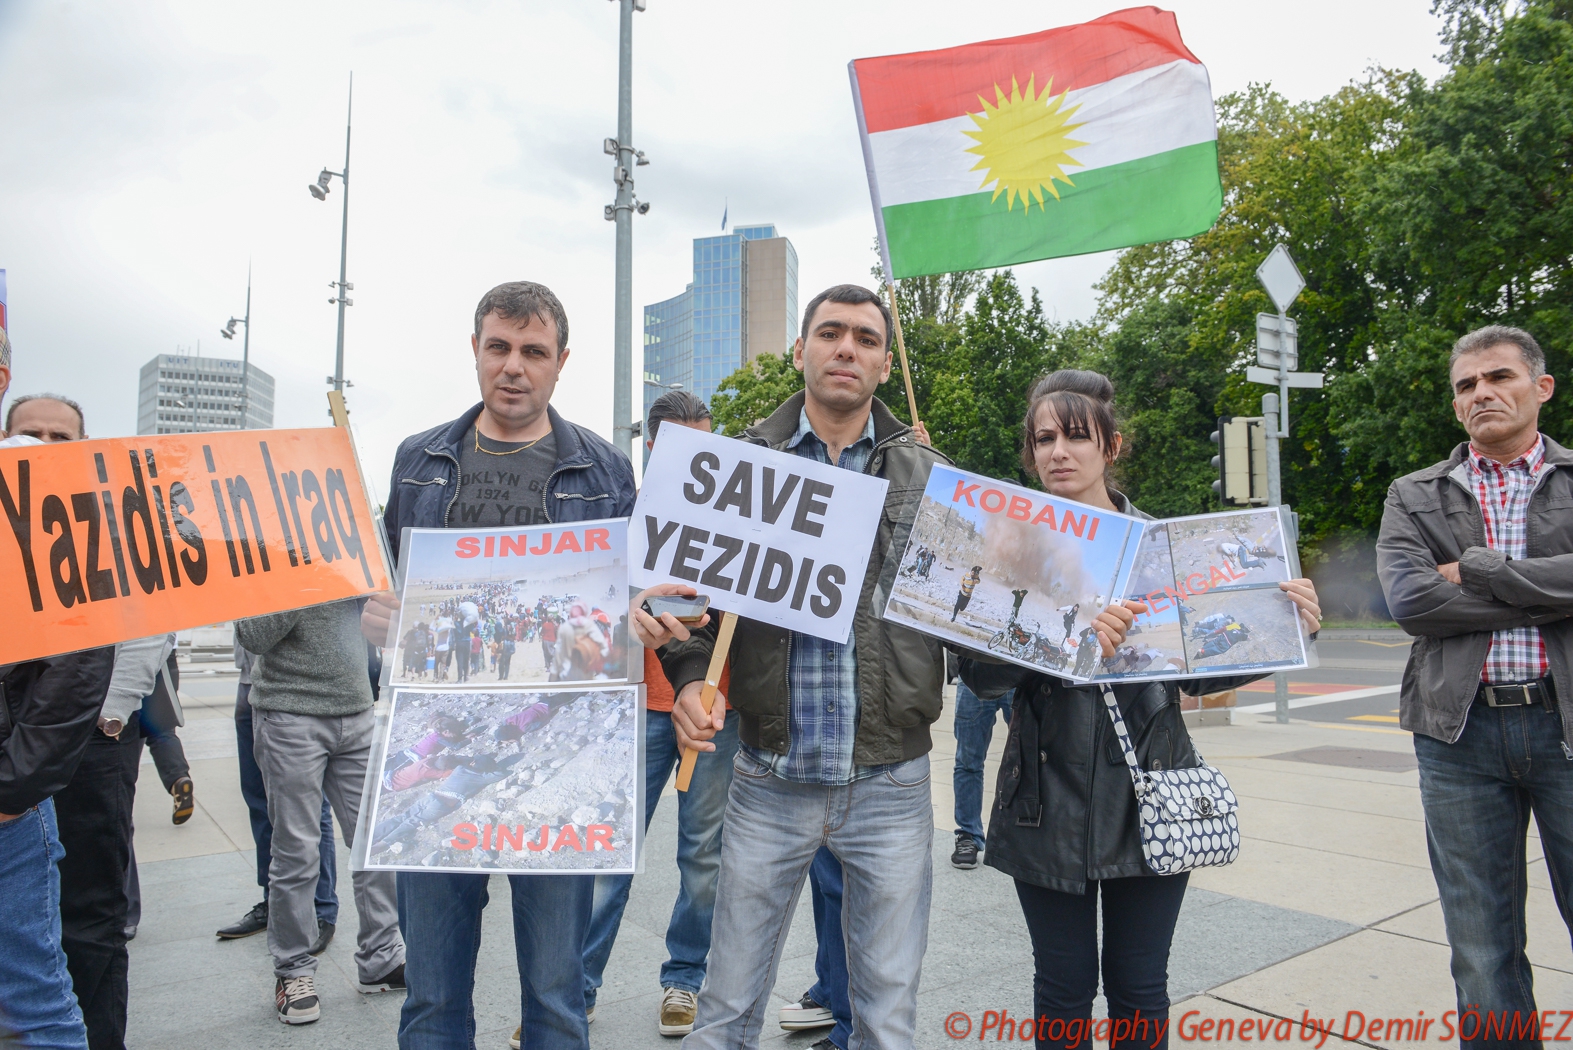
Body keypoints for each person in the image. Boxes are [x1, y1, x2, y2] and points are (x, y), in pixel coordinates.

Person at [961, 370, 1322, 1050]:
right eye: (1043, 439)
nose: (1058, 452)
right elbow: (979, 676)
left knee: (1138, 989)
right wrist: (1066, 630)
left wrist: (1285, 631)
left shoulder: (1166, 549)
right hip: (1042, 801)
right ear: (1029, 452)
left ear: (1112, 446)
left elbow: (1198, 678)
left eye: (1076, 436)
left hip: (1150, 792)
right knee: (1061, 991)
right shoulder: (1009, 548)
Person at [664, 284, 951, 1050]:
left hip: (890, 781)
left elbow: (967, 616)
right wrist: (691, 678)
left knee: (887, 1018)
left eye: (864, 337)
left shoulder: (928, 475)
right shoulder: (739, 466)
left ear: (885, 365)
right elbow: (684, 609)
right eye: (829, 333)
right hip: (767, 775)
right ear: (800, 351)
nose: (845, 348)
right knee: (725, 1009)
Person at [360, 280, 635, 1050]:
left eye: (533, 352)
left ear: (560, 362)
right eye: (499, 348)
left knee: (554, 999)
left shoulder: (605, 471)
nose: (514, 367)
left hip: (556, 757)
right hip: (438, 742)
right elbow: (387, 591)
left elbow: (629, 600)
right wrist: (376, 621)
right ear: (476, 351)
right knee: (431, 999)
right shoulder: (419, 462)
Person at [1376, 325, 1573, 1047]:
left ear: (1539, 387)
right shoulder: (1415, 494)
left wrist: (1481, 570)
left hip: (1566, 728)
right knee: (1482, 952)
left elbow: (1455, 593)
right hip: (1458, 740)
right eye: (1466, 385)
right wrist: (1548, 590)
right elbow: (1413, 604)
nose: (1481, 393)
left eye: (1498, 377)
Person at [580, 392, 740, 1039]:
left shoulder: (736, 520)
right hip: (632, 707)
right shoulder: (621, 514)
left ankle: (683, 981)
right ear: (652, 446)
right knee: (604, 860)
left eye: (707, 443)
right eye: (682, 443)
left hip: (710, 710)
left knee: (704, 858)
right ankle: (572, 991)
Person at [235, 600, 406, 1024]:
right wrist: (305, 578)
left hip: (357, 707)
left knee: (375, 842)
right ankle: (293, 968)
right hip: (289, 714)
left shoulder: (352, 544)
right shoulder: (272, 553)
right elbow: (252, 635)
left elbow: (381, 617)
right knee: (297, 851)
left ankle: (381, 957)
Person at [217, 643, 339, 953]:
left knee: (311, 809)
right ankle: (274, 902)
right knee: (261, 802)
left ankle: (320, 910)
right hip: (250, 683)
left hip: (295, 688)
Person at [950, 677, 1013, 870]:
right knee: (968, 761)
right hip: (975, 671)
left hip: (1022, 671)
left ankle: (1027, 837)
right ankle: (968, 834)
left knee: (1031, 758)